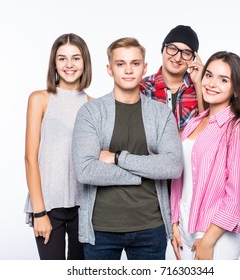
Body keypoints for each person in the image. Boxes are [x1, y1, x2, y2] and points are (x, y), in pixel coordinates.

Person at [72, 37, 183, 260]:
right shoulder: (91, 112)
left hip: (151, 226)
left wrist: (118, 158)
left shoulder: (161, 114)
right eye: (120, 64)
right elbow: (85, 170)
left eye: (135, 63)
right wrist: (143, 173)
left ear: (144, 68)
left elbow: (173, 166)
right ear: (110, 69)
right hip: (101, 228)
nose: (128, 70)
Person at [170, 51, 240, 260]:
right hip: (182, 231)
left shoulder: (239, 129)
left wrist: (208, 241)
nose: (211, 83)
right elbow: (178, 177)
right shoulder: (193, 123)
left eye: (223, 79)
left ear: (236, 89)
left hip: (214, 236)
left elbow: (235, 196)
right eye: (208, 75)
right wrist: (174, 223)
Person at [23, 33, 92, 260]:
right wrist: (39, 211)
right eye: (62, 58)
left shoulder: (94, 105)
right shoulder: (40, 99)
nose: (69, 65)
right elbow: (30, 158)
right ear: (54, 62)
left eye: (76, 58)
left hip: (84, 208)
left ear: (85, 63)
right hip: (48, 206)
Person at [140, 25, 205, 133]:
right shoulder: (142, 87)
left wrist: (199, 83)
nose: (177, 58)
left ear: (193, 59)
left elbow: (208, 130)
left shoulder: (202, 89)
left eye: (186, 53)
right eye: (172, 48)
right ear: (163, 49)